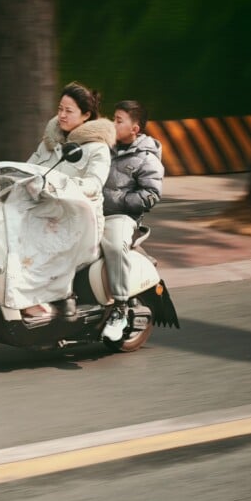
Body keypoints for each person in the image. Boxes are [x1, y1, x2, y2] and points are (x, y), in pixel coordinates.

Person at [25, 81, 115, 317]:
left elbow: (94, 184)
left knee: (36, 245)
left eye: (69, 111)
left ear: (86, 115)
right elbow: (28, 169)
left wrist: (60, 186)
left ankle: (57, 301)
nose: (62, 115)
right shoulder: (50, 142)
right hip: (47, 213)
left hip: (79, 221)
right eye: (60, 109)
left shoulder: (97, 148)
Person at [100, 100, 164, 341]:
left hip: (122, 217)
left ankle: (120, 307)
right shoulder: (103, 147)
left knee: (115, 246)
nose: (112, 123)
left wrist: (119, 200)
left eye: (118, 120)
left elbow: (152, 194)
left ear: (134, 129)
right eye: (113, 118)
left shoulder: (147, 158)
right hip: (93, 212)